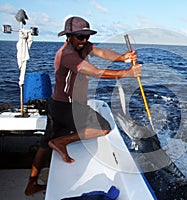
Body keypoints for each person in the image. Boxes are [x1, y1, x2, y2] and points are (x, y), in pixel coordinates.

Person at [25, 16, 141, 196]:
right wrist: (127, 73)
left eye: (86, 36)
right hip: (69, 107)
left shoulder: (83, 46)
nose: (84, 40)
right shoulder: (67, 55)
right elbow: (95, 72)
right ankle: (62, 141)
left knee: (44, 143)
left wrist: (122, 58)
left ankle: (31, 184)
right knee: (103, 127)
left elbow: (102, 52)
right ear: (69, 36)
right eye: (80, 36)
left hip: (56, 104)